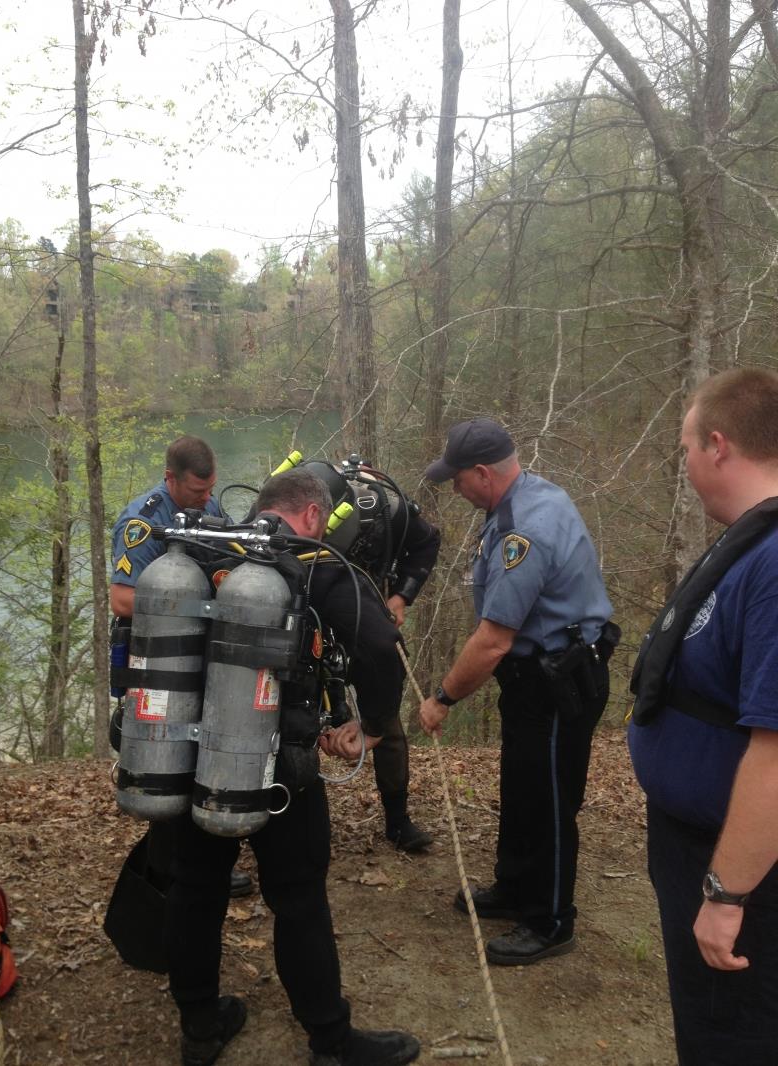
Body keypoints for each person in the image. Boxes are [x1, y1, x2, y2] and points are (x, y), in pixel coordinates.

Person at [160, 468, 420, 1066]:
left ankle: (200, 1024)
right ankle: (331, 1040)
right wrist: (375, 726)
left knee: (196, 888)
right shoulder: (312, 561)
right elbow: (381, 646)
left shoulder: (206, 547)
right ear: (310, 514)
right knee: (299, 898)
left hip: (196, 753)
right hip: (280, 763)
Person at [418, 417, 616, 965]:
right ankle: (514, 886)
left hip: (558, 684)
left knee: (549, 802)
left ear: (483, 473)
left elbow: (492, 642)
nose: (454, 489)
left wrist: (442, 699)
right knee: (523, 786)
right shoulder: (526, 498)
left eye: (457, 479)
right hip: (535, 681)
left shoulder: (524, 530)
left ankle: (551, 921)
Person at [628, 368, 778, 1066]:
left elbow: (775, 751)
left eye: (686, 447)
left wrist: (726, 892)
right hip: (696, 840)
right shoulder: (748, 542)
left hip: (744, 871)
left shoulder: (775, 563)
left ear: (718, 445)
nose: (684, 464)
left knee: (733, 1035)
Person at [110, 435, 253, 898]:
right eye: (196, 491)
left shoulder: (211, 511)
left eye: (210, 489)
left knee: (197, 759)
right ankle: (164, 872)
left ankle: (198, 864)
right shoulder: (143, 521)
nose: (206, 498)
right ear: (171, 478)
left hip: (202, 658)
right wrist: (200, 606)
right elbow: (123, 597)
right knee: (161, 766)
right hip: (156, 662)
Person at [304, 458, 440, 852]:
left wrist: (401, 596)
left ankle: (398, 820)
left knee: (387, 713)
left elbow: (428, 542)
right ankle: (297, 817)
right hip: (310, 615)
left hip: (368, 613)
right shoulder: (290, 506)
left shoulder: (386, 510)